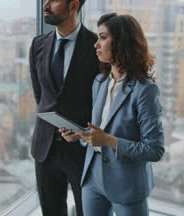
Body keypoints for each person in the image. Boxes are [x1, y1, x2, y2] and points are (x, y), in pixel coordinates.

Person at [60, 13, 165, 216]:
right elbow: (98, 134)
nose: (96, 44)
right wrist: (81, 135)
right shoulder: (100, 82)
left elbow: (154, 150)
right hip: (92, 179)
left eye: (103, 37)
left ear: (122, 42)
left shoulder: (145, 90)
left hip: (127, 184)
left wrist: (108, 140)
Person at [29, 0, 99, 216]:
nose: (45, 5)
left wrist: (82, 130)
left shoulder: (96, 47)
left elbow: (103, 102)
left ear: (74, 5)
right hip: (45, 149)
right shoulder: (38, 44)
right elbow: (42, 95)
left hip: (83, 151)